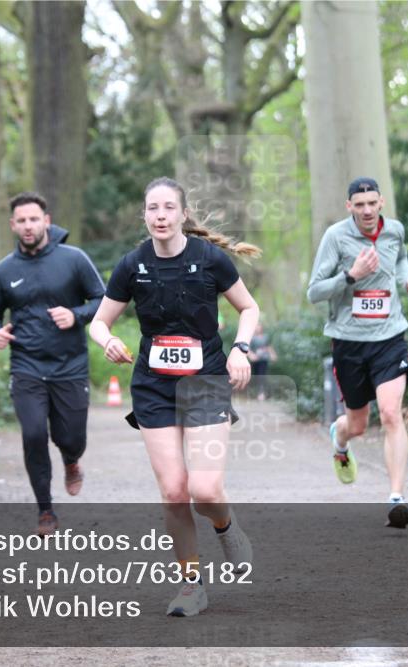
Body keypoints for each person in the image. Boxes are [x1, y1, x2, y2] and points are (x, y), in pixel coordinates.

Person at [89, 177, 261, 617]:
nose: (160, 216)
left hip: (204, 379)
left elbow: (249, 307)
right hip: (154, 386)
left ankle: (226, 527)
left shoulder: (209, 259)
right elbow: (99, 321)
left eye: (168, 208)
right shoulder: (132, 265)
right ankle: (191, 585)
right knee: (173, 491)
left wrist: (241, 349)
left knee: (204, 490)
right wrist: (105, 339)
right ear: (144, 215)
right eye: (152, 208)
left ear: (183, 214)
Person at [0, 192, 105, 536]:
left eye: (33, 219)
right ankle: (45, 510)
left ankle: (71, 459)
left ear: (46, 221)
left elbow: (103, 299)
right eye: (21, 220)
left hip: (70, 365)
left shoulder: (74, 259)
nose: (27, 226)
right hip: (26, 366)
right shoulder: (5, 270)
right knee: (34, 433)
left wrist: (76, 314)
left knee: (71, 437)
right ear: (12, 225)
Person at [307, 177, 408, 529]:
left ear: (381, 202)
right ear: (349, 207)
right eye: (359, 205)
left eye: (372, 203)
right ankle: (339, 440)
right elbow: (314, 292)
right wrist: (350, 275)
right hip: (349, 342)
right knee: (358, 425)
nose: (367, 210)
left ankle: (396, 498)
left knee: (390, 413)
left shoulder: (395, 231)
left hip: (390, 336)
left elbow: (401, 259)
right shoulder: (335, 237)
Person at [247, 322, 277, 401]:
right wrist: (251, 355)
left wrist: (273, 354)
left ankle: (261, 394)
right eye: (256, 326)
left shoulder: (265, 337)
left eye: (259, 326)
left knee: (262, 375)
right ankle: (254, 392)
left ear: (261, 328)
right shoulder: (251, 337)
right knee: (255, 376)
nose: (257, 328)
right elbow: (247, 348)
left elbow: (268, 347)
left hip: (263, 359)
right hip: (255, 360)